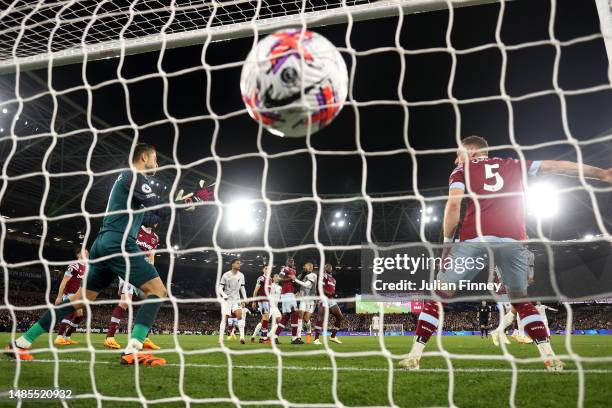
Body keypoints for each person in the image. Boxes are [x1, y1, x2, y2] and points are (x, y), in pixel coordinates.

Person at [400, 135, 612, 372]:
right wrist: (602, 173)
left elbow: (453, 205)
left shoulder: (462, 170)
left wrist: (447, 244)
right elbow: (556, 166)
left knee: (439, 295)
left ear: (471, 153)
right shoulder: (513, 164)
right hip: (513, 241)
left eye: (458, 154)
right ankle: (550, 357)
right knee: (521, 301)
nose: (455, 160)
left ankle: (414, 356)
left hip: (475, 240)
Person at [5, 143, 213, 364]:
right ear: (144, 157)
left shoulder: (127, 183)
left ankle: (21, 343)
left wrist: (182, 204)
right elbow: (159, 208)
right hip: (119, 243)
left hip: (102, 245)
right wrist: (192, 200)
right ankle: (133, 349)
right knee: (157, 291)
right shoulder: (133, 176)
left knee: (78, 300)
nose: (157, 163)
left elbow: (151, 217)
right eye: (155, 159)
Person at [104, 214, 161, 351]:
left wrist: (151, 272)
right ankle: (109, 337)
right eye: (156, 221)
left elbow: (151, 256)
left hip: (143, 271)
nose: (158, 224)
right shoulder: (135, 229)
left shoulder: (155, 238)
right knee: (125, 302)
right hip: (128, 269)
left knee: (150, 302)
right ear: (151, 221)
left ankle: (144, 338)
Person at [54, 248, 88, 346]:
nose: (86, 253)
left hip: (78, 294)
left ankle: (67, 337)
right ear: (78, 255)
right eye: (84, 252)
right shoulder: (73, 266)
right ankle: (59, 337)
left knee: (79, 316)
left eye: (87, 252)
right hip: (69, 293)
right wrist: (59, 297)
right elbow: (64, 281)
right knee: (70, 313)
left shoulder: (86, 267)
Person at [313, 263, 344, 345]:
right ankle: (316, 339)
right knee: (321, 319)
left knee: (340, 317)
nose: (329, 267)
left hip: (331, 300)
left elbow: (332, 291)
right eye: (327, 266)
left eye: (330, 266)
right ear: (324, 268)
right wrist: (330, 293)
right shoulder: (323, 276)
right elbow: (320, 288)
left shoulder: (334, 279)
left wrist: (333, 294)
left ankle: (333, 336)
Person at [219, 259, 248, 344]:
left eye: (240, 263)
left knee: (240, 316)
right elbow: (220, 288)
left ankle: (242, 337)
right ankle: (220, 338)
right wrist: (224, 295)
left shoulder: (241, 275)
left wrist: (245, 297)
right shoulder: (225, 275)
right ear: (232, 265)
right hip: (227, 300)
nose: (239, 265)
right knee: (224, 319)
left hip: (236, 299)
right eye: (237, 263)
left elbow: (242, 287)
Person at [293, 261, 317, 343]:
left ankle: (309, 331)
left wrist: (295, 279)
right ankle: (298, 337)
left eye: (309, 266)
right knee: (300, 315)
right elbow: (296, 285)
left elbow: (307, 285)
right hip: (303, 299)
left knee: (306, 318)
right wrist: (297, 292)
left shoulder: (313, 275)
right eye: (306, 266)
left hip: (311, 299)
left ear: (311, 268)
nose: (307, 267)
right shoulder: (302, 275)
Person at [251, 265, 272, 344]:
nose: (267, 270)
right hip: (262, 300)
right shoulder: (261, 278)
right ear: (263, 270)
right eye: (266, 268)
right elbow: (256, 290)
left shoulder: (270, 279)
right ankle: (263, 338)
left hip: (267, 301)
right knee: (265, 318)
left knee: (265, 319)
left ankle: (262, 337)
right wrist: (254, 301)